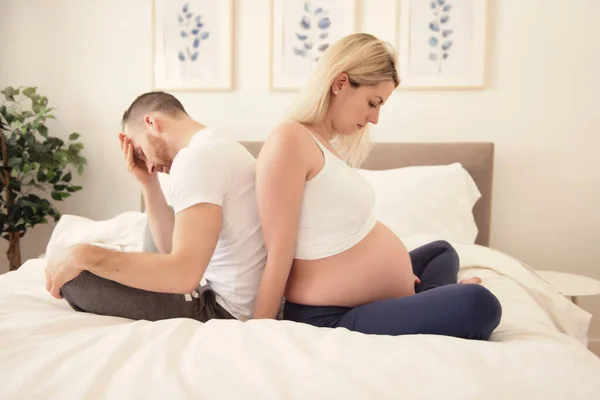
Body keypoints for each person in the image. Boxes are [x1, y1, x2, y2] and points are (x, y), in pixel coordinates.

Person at [253, 33, 502, 340]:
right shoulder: (290, 139)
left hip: (363, 300)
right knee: (479, 304)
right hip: (329, 315)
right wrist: (258, 333)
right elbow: (278, 251)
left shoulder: (325, 147)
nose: (375, 118)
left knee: (442, 251)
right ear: (340, 83)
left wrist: (390, 275)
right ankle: (430, 302)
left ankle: (419, 301)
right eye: (373, 103)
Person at [44, 91, 267, 322]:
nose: (149, 166)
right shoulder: (220, 146)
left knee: (76, 279)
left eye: (140, 153)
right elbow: (170, 250)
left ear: (151, 122)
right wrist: (148, 184)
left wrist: (85, 254)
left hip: (220, 310)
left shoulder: (196, 160)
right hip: (227, 300)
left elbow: (183, 274)